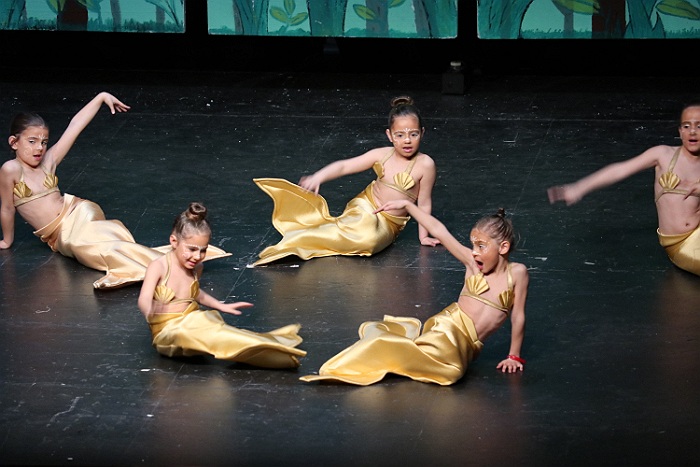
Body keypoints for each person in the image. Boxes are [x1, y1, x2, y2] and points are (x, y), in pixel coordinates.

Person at [0, 92, 228, 289]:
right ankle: (170, 261)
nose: (40, 148)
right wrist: (7, 241)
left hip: (79, 213)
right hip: (60, 234)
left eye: (44, 142)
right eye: (32, 141)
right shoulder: (11, 169)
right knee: (105, 246)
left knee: (87, 246)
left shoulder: (48, 162)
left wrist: (100, 97)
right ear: (14, 142)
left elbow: (75, 126)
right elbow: (7, 208)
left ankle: (165, 269)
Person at [300, 203, 529, 386]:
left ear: (503, 248)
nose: (475, 252)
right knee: (451, 373)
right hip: (448, 328)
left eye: (481, 246)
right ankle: (376, 349)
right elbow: (439, 230)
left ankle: (390, 347)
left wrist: (514, 356)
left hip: (468, 346)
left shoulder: (517, 274)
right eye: (473, 245)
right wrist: (409, 206)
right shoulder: (471, 263)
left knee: (450, 368)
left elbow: (518, 316)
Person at [251, 96, 439, 266]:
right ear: (389, 135)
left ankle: (308, 237)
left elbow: (423, 203)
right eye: (400, 135)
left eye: (413, 134)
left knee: (370, 241)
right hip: (366, 206)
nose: (407, 140)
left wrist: (423, 236)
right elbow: (344, 166)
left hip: (389, 223)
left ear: (422, 133)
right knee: (362, 225)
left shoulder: (425, 165)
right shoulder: (382, 155)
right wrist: (319, 176)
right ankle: (300, 239)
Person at [138, 202, 307, 368]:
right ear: (174, 241)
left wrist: (220, 305)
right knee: (216, 336)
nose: (197, 256)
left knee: (222, 333)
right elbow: (144, 298)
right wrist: (149, 310)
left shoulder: (197, 267)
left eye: (203, 250)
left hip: (192, 320)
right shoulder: (159, 266)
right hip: (169, 333)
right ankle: (276, 356)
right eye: (192, 249)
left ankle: (272, 345)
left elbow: (194, 293)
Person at [547, 103, 700, 276]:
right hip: (681, 245)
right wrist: (579, 187)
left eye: (699, 126)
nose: (692, 131)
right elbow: (620, 170)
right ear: (680, 131)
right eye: (687, 126)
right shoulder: (663, 155)